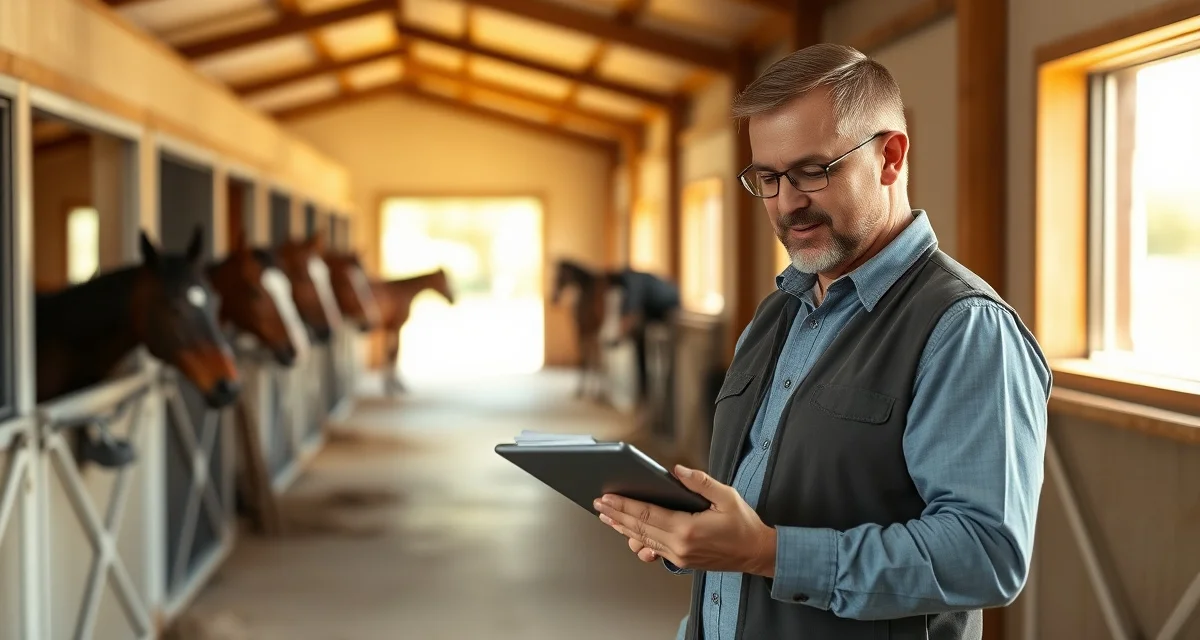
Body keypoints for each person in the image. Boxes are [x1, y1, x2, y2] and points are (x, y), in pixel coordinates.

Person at [590, 43, 1050, 640]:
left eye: (813, 171)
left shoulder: (963, 329)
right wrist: (691, 534)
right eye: (768, 178)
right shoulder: (777, 313)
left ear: (890, 157)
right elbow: (763, 503)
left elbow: (985, 555)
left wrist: (768, 552)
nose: (787, 203)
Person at [605, 267, 681, 407]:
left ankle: (647, 396)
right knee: (640, 345)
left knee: (649, 353)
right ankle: (644, 393)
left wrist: (618, 338)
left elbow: (631, 313)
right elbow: (627, 312)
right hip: (656, 314)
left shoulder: (633, 282)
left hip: (669, 312)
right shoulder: (634, 280)